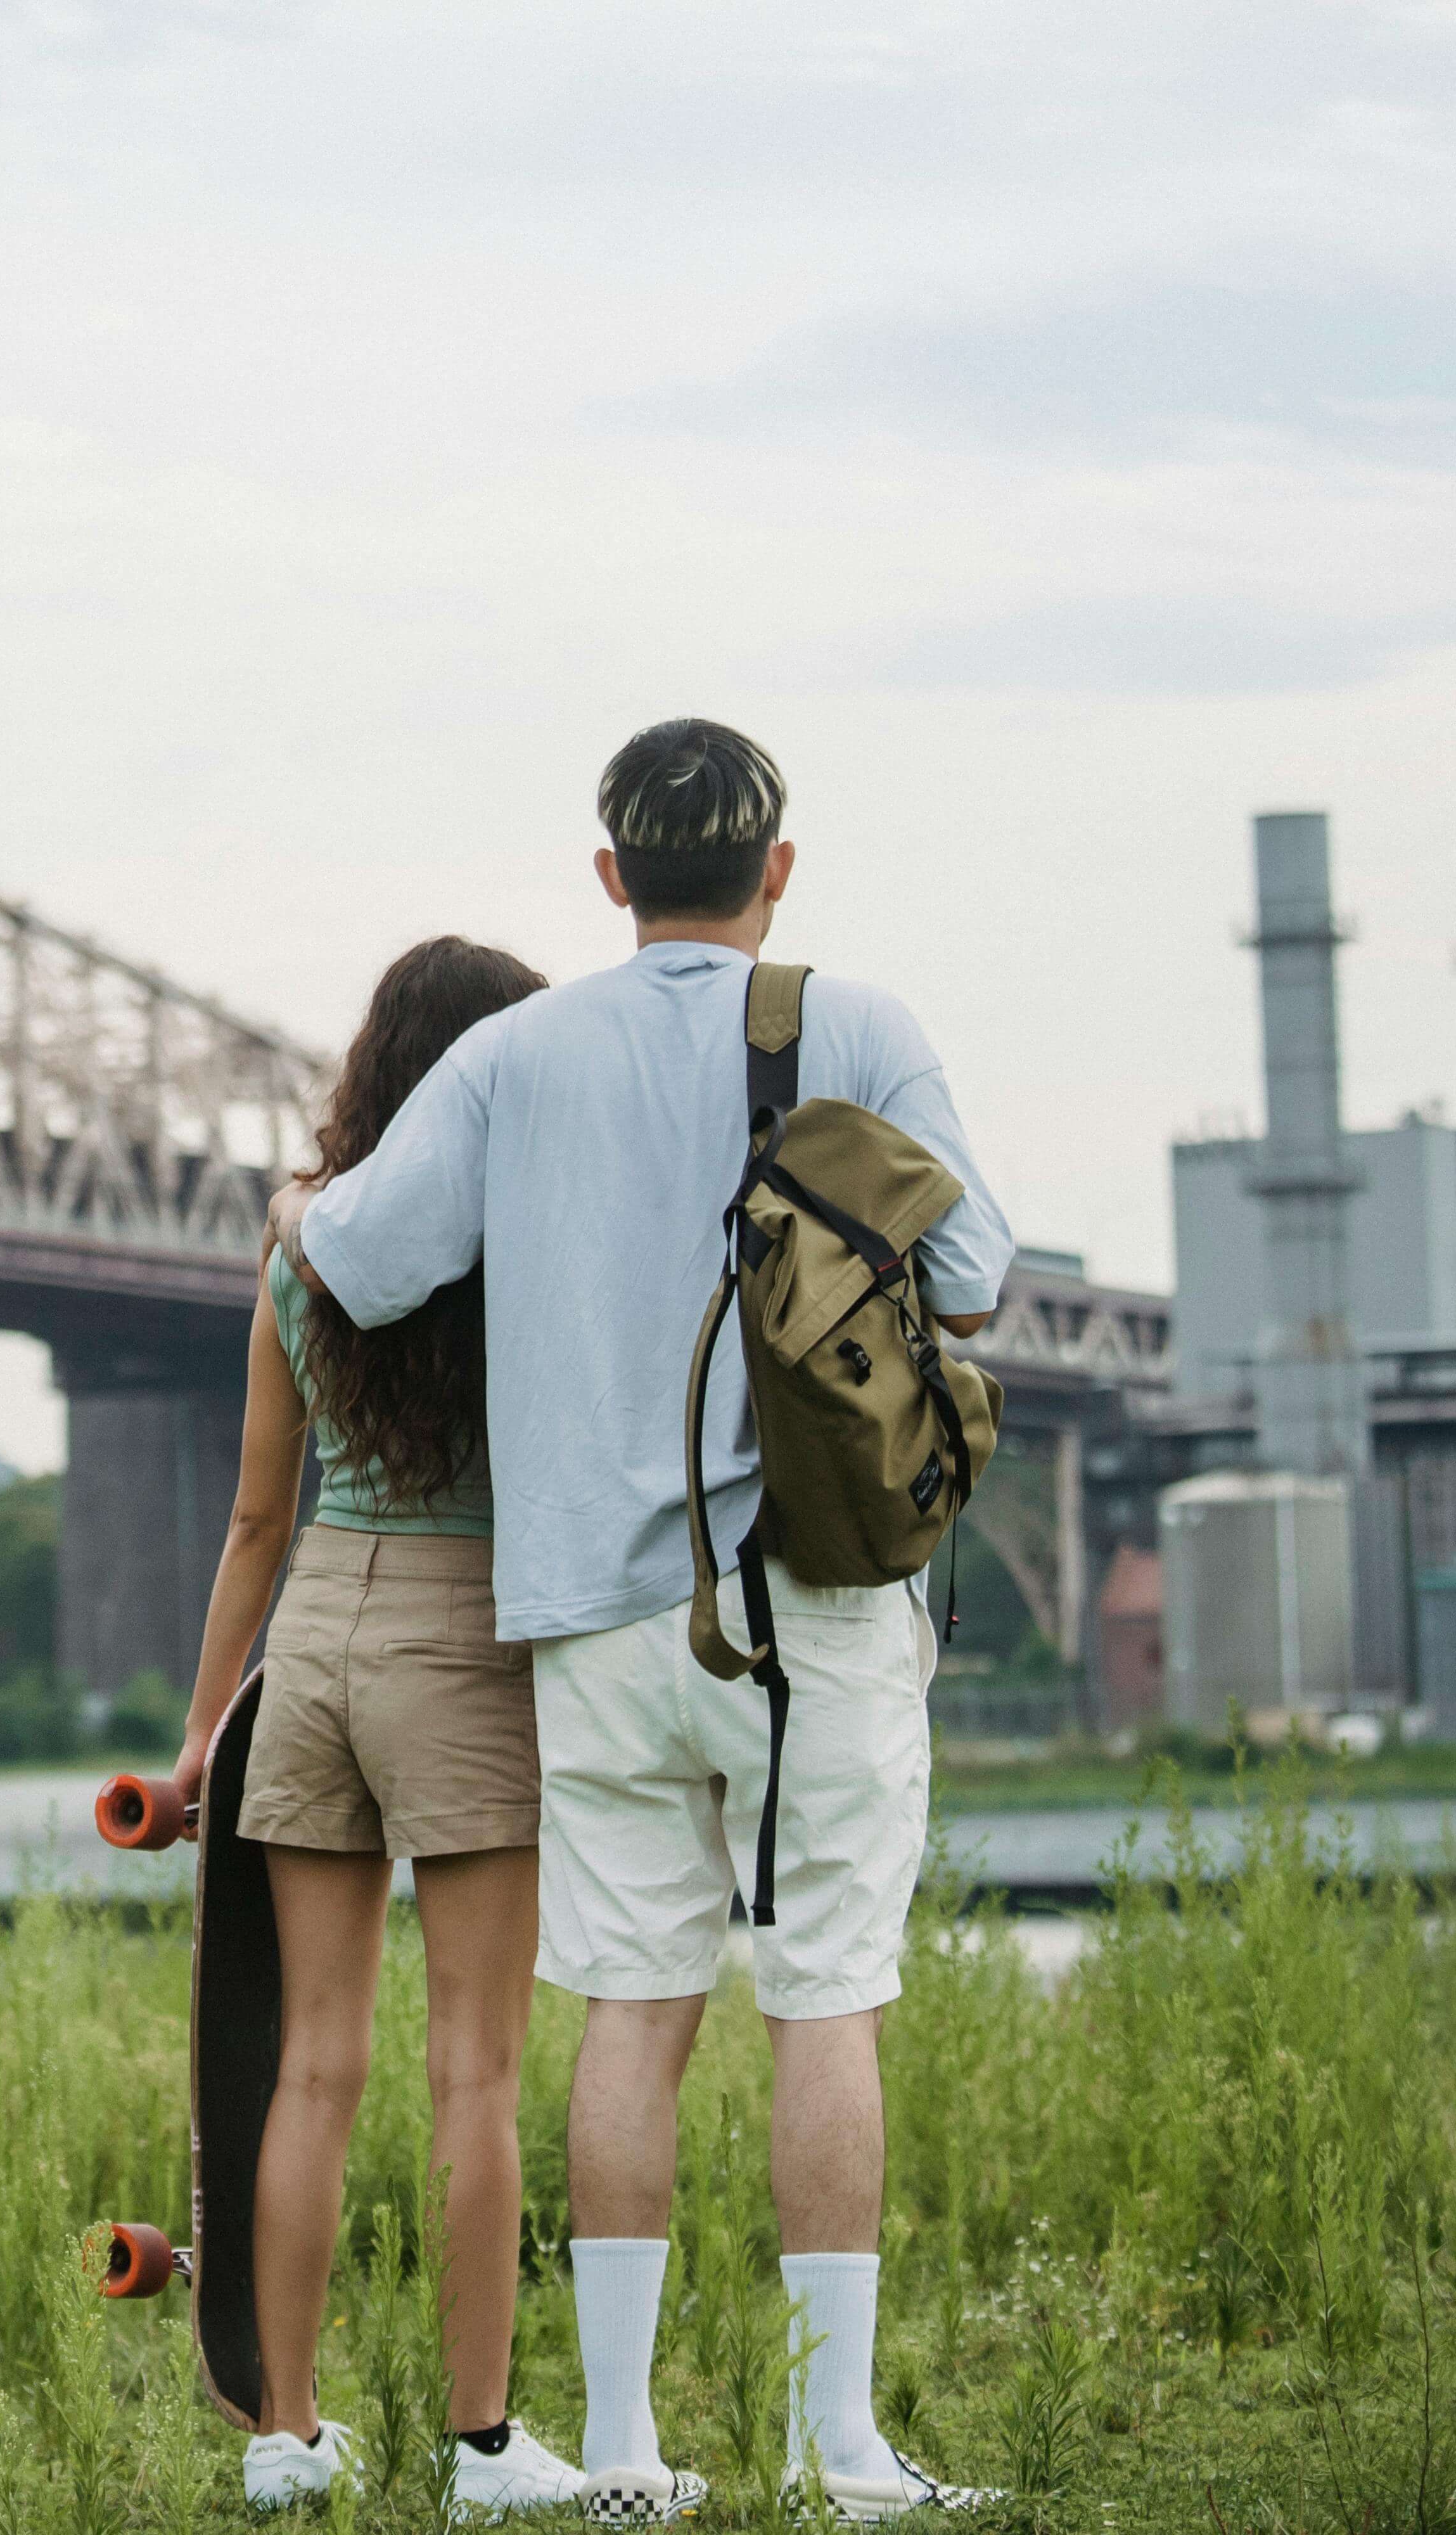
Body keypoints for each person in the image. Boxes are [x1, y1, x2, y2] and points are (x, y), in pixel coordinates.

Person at [272, 720, 1012, 2525]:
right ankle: (834, 2450)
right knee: (823, 2000)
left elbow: (358, 1257)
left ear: (609, 876)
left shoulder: (517, 1056)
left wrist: (300, 1196)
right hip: (819, 1604)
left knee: (631, 2007)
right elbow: (979, 1278)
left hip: (593, 1621)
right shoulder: (860, 1025)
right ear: (778, 870)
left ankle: (618, 2451)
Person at [169, 936, 590, 2520]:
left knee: (312, 2068)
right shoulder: (527, 1236)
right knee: (473, 2068)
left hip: (313, 1654)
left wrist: (209, 1727)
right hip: (459, 1647)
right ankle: (484, 2450)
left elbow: (256, 1517)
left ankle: (288, 2435)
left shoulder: (298, 1237)